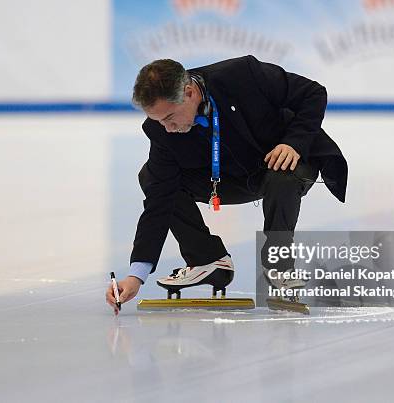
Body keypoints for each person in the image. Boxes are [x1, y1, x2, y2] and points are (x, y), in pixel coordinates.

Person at [106, 55, 347, 313]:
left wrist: (294, 143)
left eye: (169, 117)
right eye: (159, 121)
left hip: (282, 158)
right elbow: (158, 202)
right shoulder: (161, 132)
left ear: (188, 92)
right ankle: (207, 260)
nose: (167, 128)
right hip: (226, 178)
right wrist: (136, 275)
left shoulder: (242, 75)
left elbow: (313, 93)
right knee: (151, 176)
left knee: (282, 175)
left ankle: (279, 267)